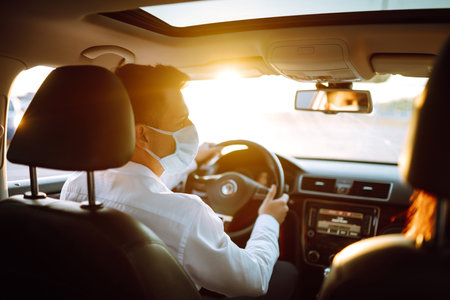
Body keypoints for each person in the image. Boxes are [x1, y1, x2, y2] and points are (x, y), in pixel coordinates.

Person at [60, 64, 298, 299]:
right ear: (143, 135)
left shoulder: (77, 186)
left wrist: (192, 162)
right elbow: (253, 280)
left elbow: (139, 186)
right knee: (287, 274)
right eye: (181, 120)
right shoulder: (187, 215)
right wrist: (268, 219)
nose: (190, 127)